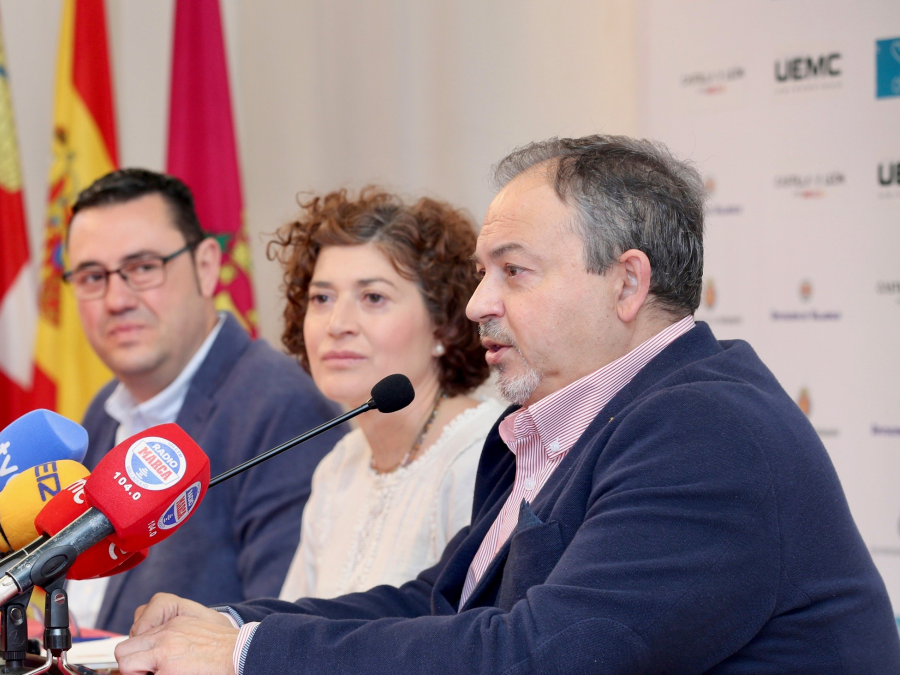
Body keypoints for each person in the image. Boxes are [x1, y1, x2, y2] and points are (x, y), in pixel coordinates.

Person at [112, 136, 900, 674]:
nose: (480, 302)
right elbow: (438, 600)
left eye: (514, 272)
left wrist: (247, 655)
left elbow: (539, 656)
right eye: (485, 272)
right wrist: (224, 621)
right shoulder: (567, 423)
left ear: (627, 283)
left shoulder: (706, 429)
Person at [62, 168, 345, 634]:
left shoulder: (278, 406)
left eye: (143, 268)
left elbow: (280, 629)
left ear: (207, 265)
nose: (116, 299)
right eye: (92, 276)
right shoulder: (102, 411)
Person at [267, 188, 500, 601]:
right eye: (321, 298)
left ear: (443, 326)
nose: (337, 324)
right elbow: (289, 627)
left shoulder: (482, 456)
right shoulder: (339, 466)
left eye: (373, 297)